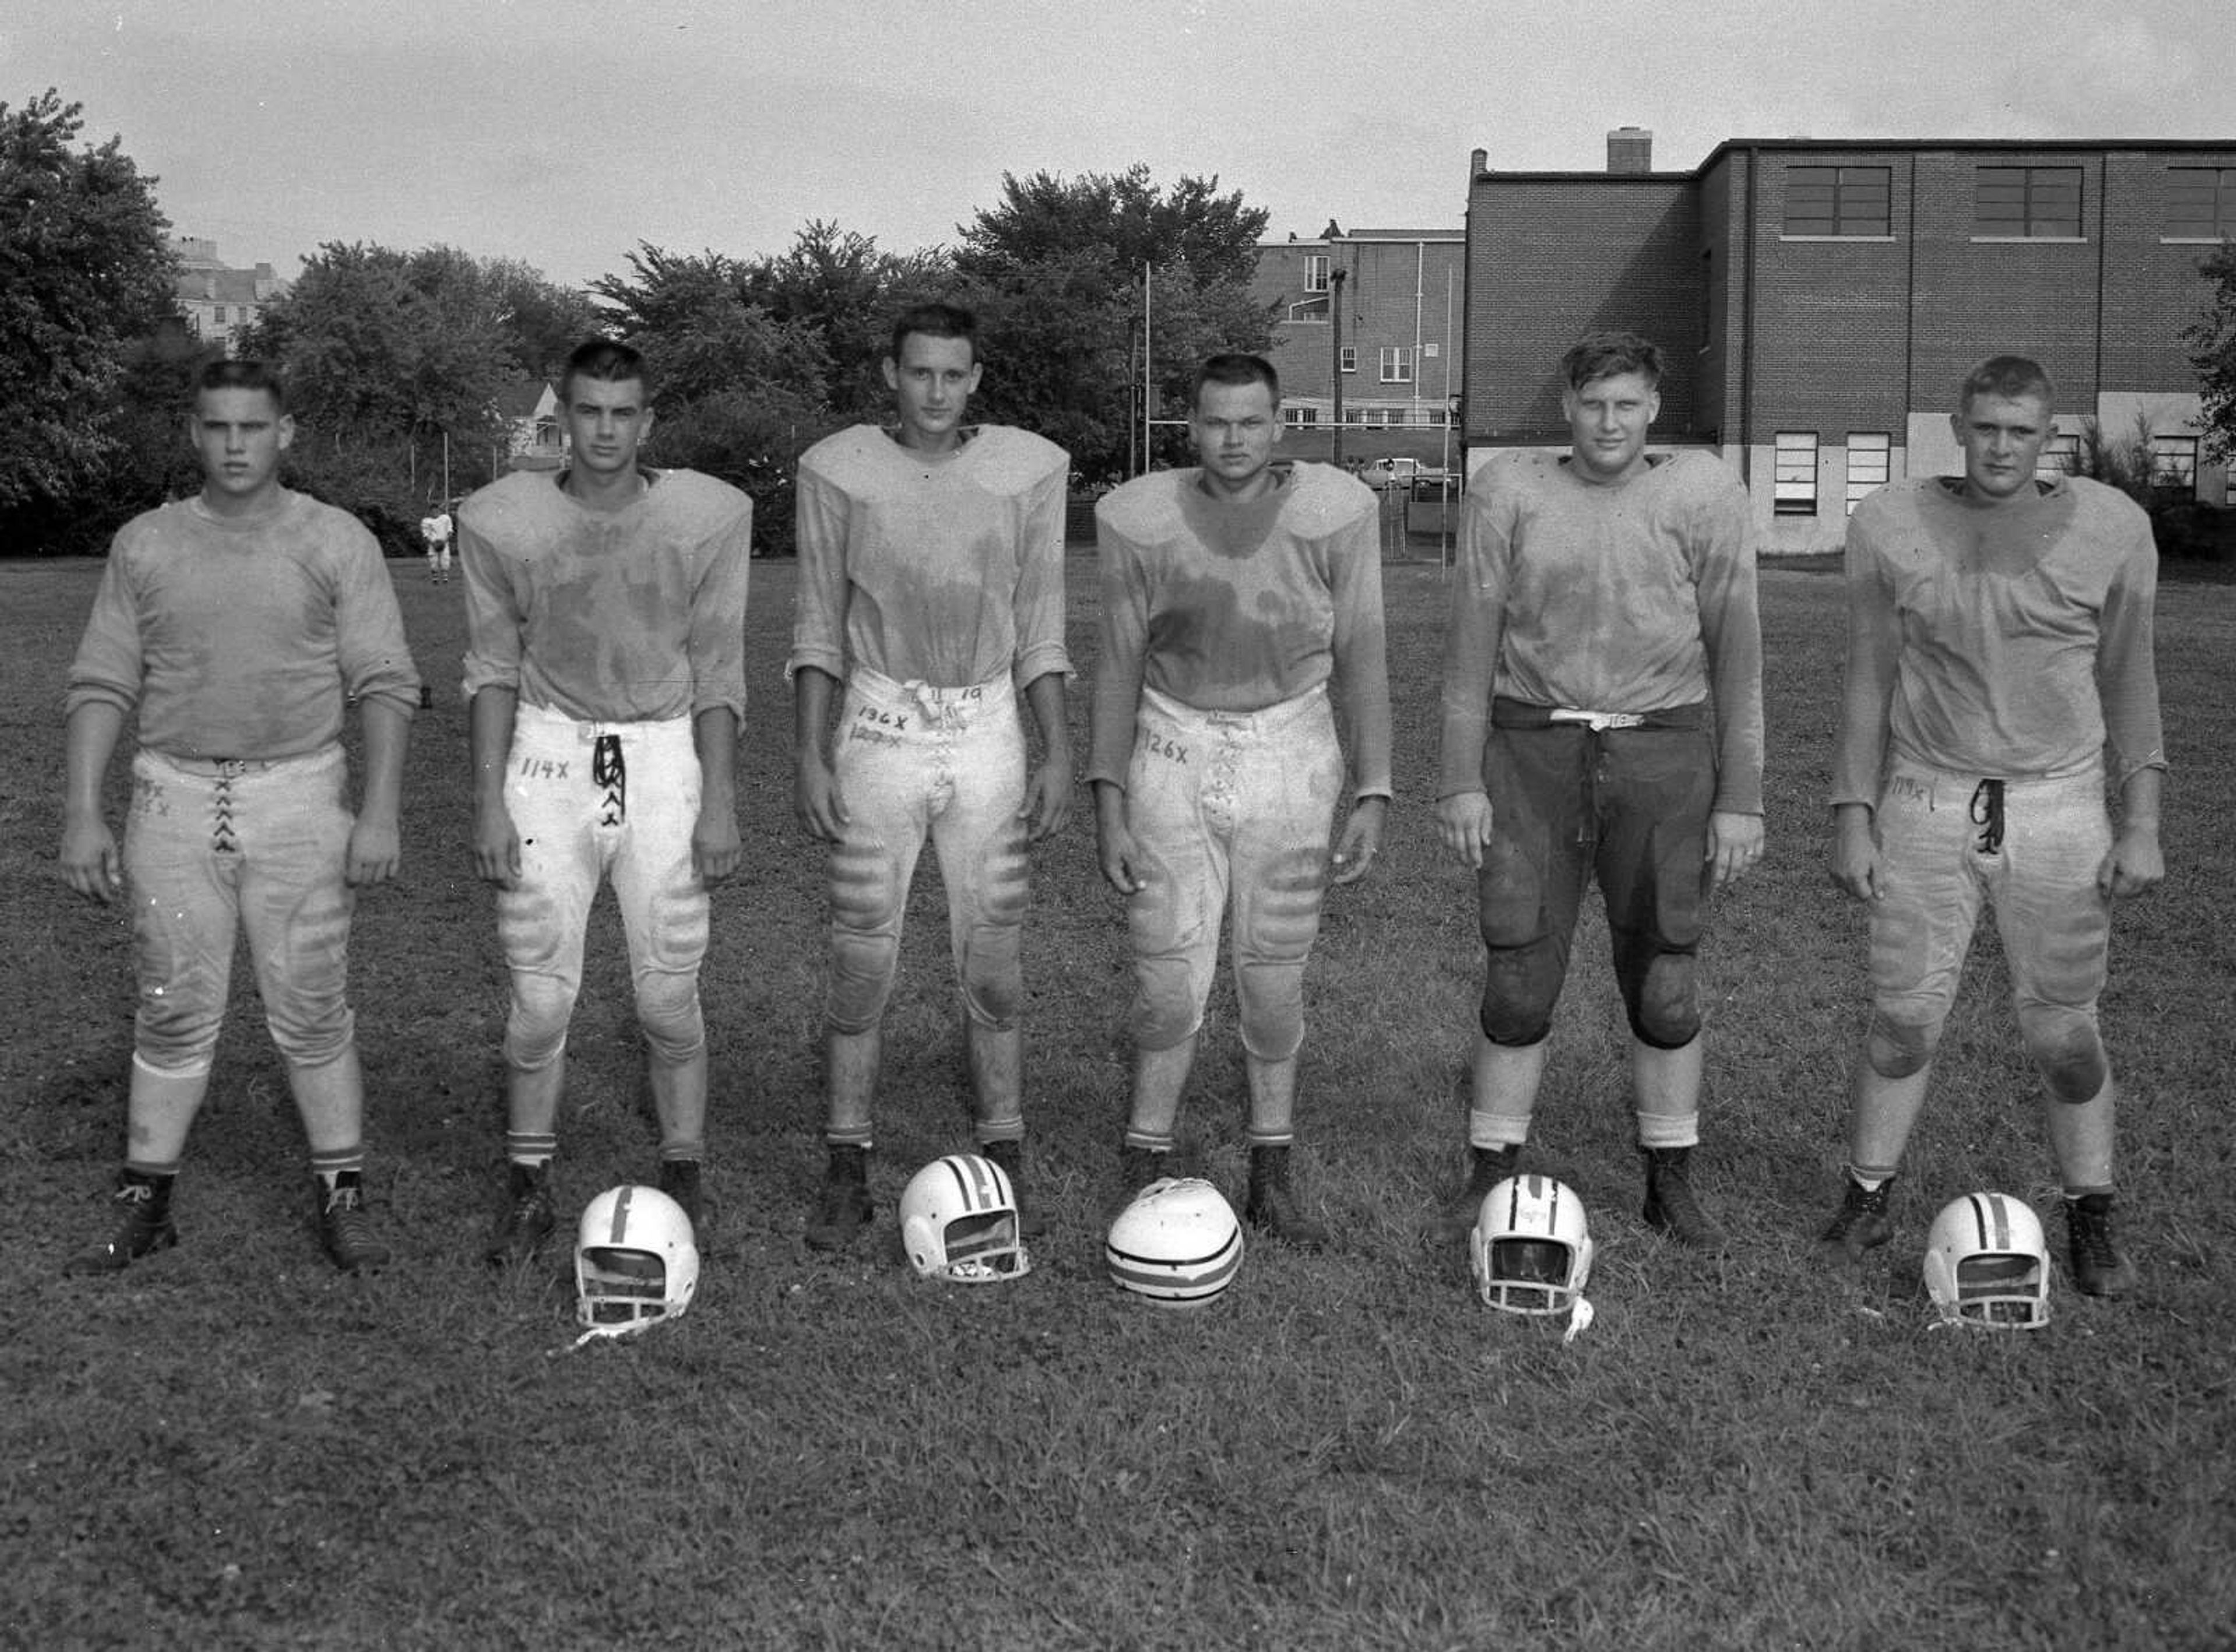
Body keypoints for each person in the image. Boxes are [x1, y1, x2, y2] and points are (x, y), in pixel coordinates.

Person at [59, 358, 419, 1274]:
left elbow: (384, 681)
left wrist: (378, 813)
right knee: (173, 1005)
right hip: (173, 794)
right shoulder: (145, 543)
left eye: (251, 428)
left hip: (299, 796)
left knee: (310, 1006)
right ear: (192, 433)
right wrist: (80, 811)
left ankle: (345, 1192)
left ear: (285, 433)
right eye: (216, 427)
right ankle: (148, 1193)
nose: (233, 445)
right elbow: (103, 679)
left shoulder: (335, 540)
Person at [1819, 355, 2163, 1297]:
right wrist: (1852, 811)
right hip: (1925, 796)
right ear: (1958, 427)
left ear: (2048, 435)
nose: (2001, 446)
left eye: (2021, 430)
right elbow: (1867, 675)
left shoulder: (2109, 528)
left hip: (2058, 804)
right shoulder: (1890, 524)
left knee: (2064, 1028)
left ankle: (2091, 1211)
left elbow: (2131, 679)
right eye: (1986, 427)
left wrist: (2143, 819)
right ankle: (1868, 1190)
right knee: (1903, 1017)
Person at [1433, 331, 1762, 1249]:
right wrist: (1460, 777)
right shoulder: (1512, 489)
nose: (1609, 421)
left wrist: (1744, 794)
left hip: (1663, 751)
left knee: (1666, 978)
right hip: (1535, 750)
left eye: (1627, 403)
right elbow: (1469, 643)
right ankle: (1491, 1169)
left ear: (1654, 405)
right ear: (1565, 408)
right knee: (1518, 973)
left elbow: (1738, 649)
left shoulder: (1700, 493)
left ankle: (1670, 1177)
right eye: (1592, 403)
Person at [459, 338, 752, 1264]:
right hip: (549, 753)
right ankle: (528, 1177)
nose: (606, 430)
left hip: (663, 753)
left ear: (648, 421)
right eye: (589, 411)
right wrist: (487, 798)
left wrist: (721, 802)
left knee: (669, 990)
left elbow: (718, 668)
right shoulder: (507, 519)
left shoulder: (701, 516)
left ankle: (684, 1165)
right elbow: (491, 668)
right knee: (540, 995)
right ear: (565, 419)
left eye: (623, 412)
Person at [1091, 352, 1391, 1247]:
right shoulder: (1141, 519)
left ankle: (1272, 1166)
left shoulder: (1335, 514)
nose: (1233, 440)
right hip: (1172, 743)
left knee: (1272, 976)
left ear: (1278, 425)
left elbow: (1364, 653)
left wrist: (1374, 785)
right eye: (1217, 422)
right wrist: (1108, 794)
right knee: (1167, 977)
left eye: (1251, 422)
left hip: (1292, 750)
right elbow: (1116, 661)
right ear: (1191, 426)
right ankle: (1146, 1158)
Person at [790, 303, 1073, 1251]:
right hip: (880, 720)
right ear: (891, 375)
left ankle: (1005, 1145)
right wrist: (808, 749)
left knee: (993, 954)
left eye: (954, 374)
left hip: (987, 717)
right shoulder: (841, 471)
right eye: (921, 374)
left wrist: (1058, 745)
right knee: (862, 953)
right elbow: (818, 627)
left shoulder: (1025, 470)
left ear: (977, 377)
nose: (937, 392)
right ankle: (844, 1159)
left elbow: (1041, 624)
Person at [423, 505, 454, 584]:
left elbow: (450, 532)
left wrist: (444, 542)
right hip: (433, 544)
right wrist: (433, 544)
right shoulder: (426, 521)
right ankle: (435, 580)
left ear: (439, 511)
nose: (435, 513)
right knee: (433, 562)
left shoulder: (446, 518)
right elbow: (426, 535)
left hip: (444, 543)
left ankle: (445, 579)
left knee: (445, 561)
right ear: (430, 512)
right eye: (433, 511)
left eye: (436, 511)